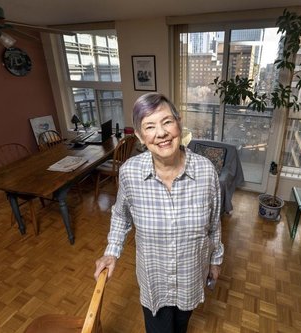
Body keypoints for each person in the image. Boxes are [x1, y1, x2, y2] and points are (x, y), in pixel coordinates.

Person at [94, 92, 224, 333]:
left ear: (179, 123)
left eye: (167, 122)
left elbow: (214, 221)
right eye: (150, 126)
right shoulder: (130, 173)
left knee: (181, 326)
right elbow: (121, 215)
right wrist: (112, 252)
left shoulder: (206, 171)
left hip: (190, 276)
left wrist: (216, 260)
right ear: (142, 137)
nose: (161, 133)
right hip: (154, 281)